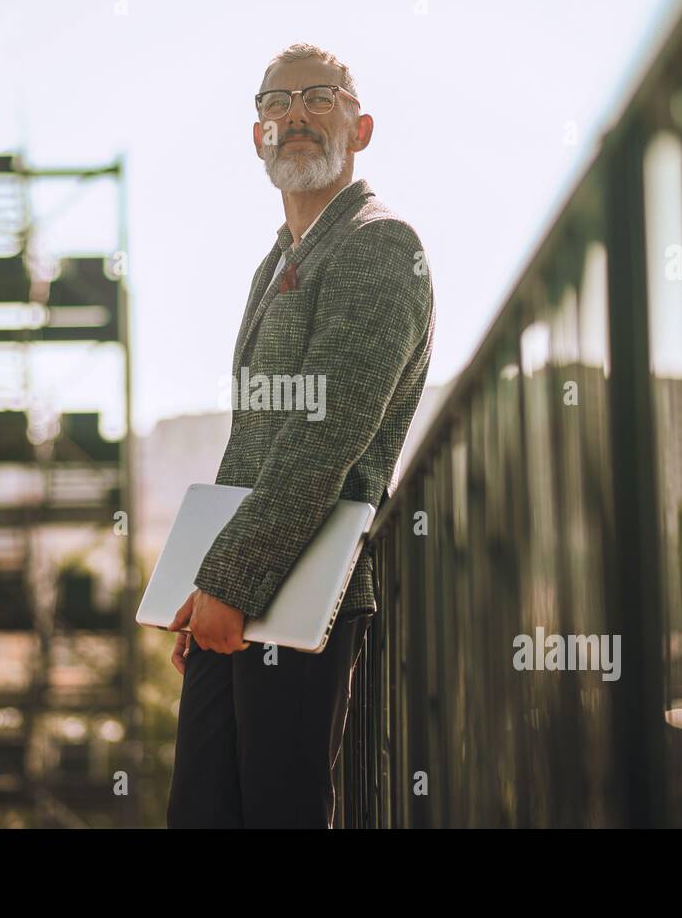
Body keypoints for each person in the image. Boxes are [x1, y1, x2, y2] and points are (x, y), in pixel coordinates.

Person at [165, 42, 435, 828]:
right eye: (275, 104)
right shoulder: (272, 264)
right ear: (258, 137)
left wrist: (231, 580)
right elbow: (252, 443)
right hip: (238, 593)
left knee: (280, 813)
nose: (296, 117)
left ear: (363, 127)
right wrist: (204, 583)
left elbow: (328, 434)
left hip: (305, 596)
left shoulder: (382, 245)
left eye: (320, 98)